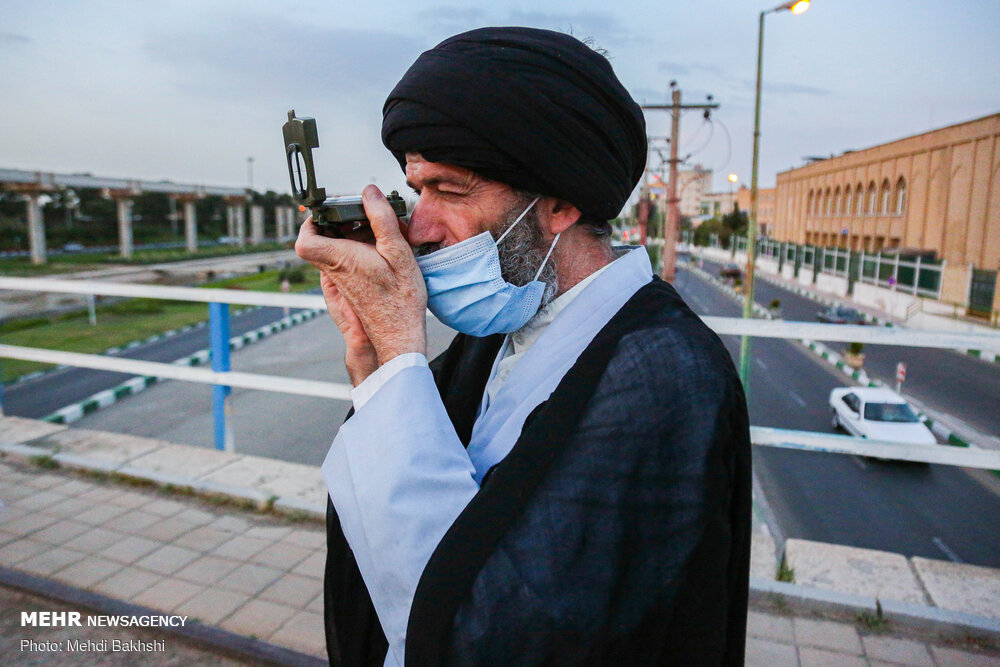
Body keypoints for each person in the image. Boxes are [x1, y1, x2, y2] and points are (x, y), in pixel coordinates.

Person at [295, 27, 751, 667]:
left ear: (560, 202)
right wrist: (374, 361)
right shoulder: (501, 336)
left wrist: (403, 353)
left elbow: (496, 632)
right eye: (415, 190)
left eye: (449, 191)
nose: (419, 228)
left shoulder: (664, 377)